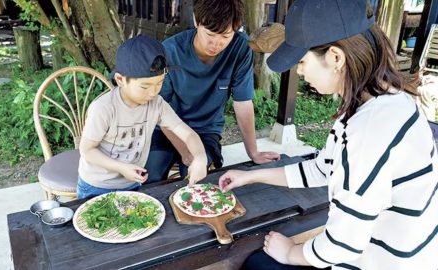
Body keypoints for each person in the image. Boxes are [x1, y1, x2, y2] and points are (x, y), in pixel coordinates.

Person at [219, 0, 438, 269]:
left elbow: (343, 243)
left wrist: (291, 253)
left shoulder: (370, 131)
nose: (298, 71)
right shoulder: (387, 100)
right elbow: (324, 168)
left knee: (257, 263)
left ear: (336, 57)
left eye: (301, 61)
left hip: (382, 261)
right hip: (395, 252)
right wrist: (249, 177)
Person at [145, 0, 280, 182]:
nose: (216, 44)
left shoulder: (240, 49)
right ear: (196, 21)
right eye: (210, 34)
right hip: (168, 128)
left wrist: (253, 152)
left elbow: (242, 102)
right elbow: (160, 110)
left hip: (206, 130)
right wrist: (185, 152)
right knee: (151, 177)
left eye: (225, 37)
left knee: (200, 181)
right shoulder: (170, 51)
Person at [77, 35, 208, 199]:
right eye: (145, 86)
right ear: (120, 79)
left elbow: (188, 134)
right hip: (96, 186)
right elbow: (87, 150)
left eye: (159, 83)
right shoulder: (103, 108)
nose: (153, 92)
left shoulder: (157, 104)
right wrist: (121, 168)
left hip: (132, 184)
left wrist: (200, 157)